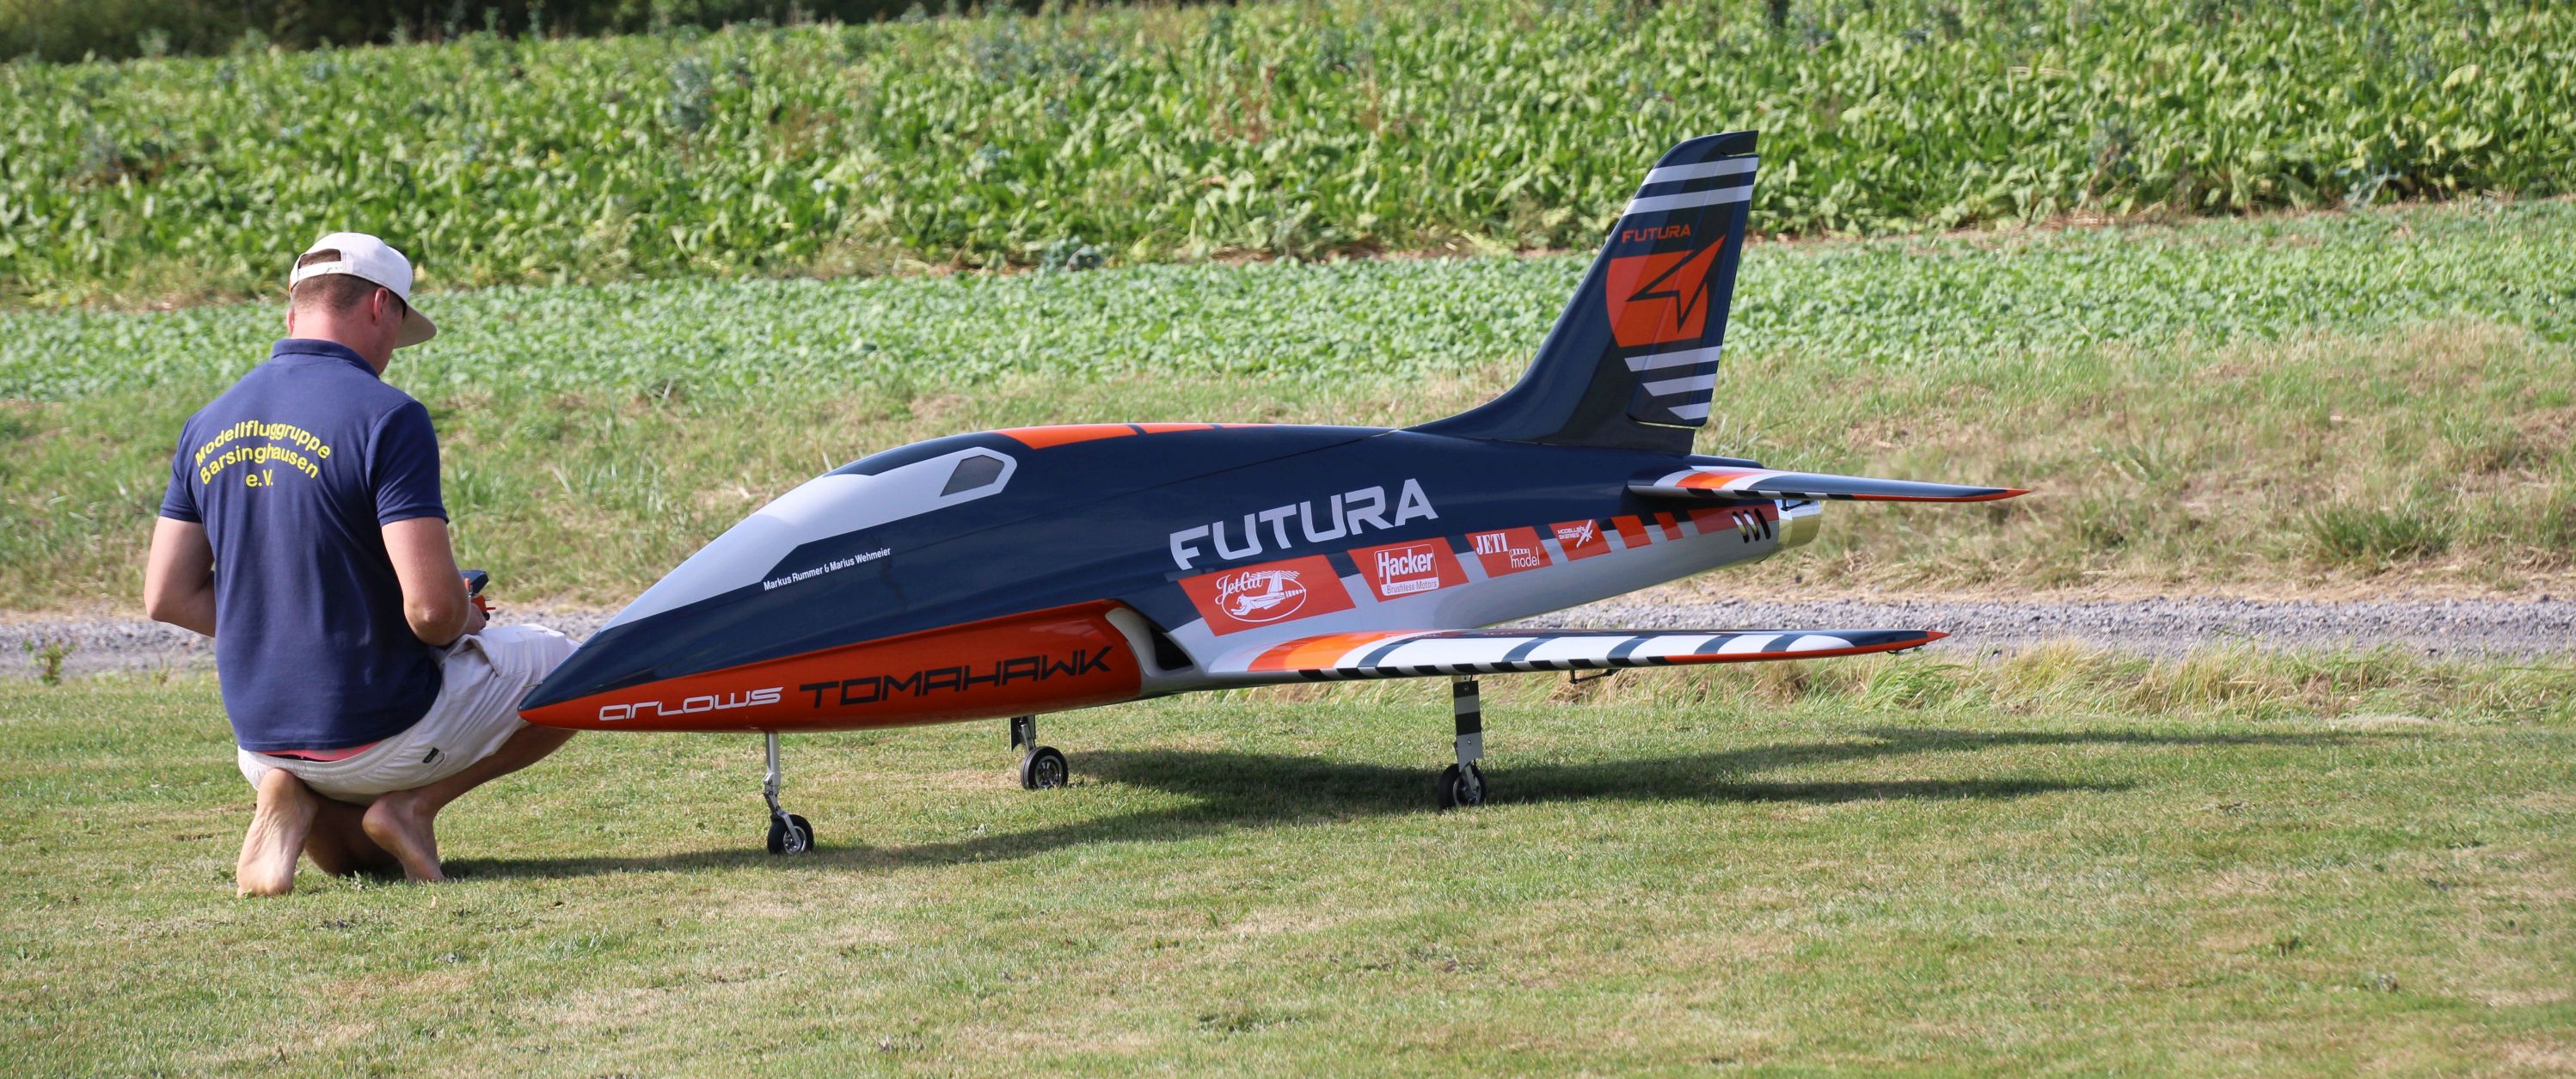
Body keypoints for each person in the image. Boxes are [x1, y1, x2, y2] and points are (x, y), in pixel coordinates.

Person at [143, 232, 579, 896]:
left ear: (293, 312)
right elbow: (431, 612)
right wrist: (466, 616)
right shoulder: (389, 415)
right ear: (380, 306)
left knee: (359, 864)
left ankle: (287, 788)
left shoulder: (207, 421)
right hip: (374, 734)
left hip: (260, 741)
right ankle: (415, 805)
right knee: (572, 666)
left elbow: (167, 596)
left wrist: (286, 628)